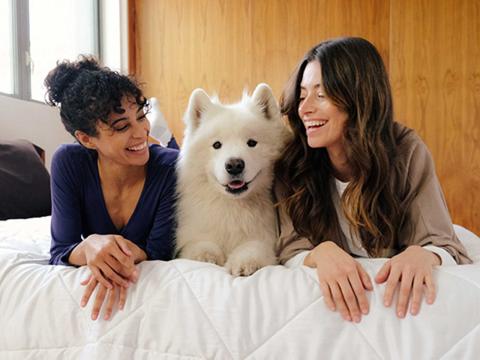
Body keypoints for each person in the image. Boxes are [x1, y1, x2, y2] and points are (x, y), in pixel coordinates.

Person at [275, 37, 472, 323]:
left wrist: (424, 254)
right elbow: (286, 247)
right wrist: (320, 253)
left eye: (321, 95)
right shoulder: (292, 161)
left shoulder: (406, 151)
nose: (304, 109)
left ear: (358, 97)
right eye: (302, 95)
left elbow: (443, 242)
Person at [45, 56, 179, 320]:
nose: (141, 132)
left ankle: (169, 139)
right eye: (121, 126)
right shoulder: (69, 162)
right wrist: (91, 246)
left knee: (185, 160)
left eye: (141, 117)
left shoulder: (171, 168)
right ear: (86, 139)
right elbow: (61, 250)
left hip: (169, 160)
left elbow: (160, 251)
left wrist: (113, 256)